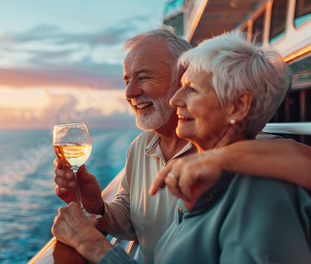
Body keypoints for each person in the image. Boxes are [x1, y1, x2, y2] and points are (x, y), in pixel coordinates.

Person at [52, 26, 311, 263]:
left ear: (239, 105)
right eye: (126, 80)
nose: (177, 100)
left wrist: (93, 246)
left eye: (192, 88)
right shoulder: (146, 150)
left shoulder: (262, 181)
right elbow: (137, 221)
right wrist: (97, 207)